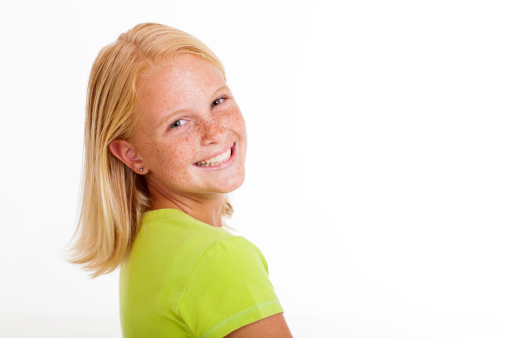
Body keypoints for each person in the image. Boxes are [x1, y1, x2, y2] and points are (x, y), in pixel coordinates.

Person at [68, 23, 293, 337]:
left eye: (218, 101)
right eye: (179, 123)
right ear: (132, 155)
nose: (214, 132)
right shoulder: (217, 258)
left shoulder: (150, 241)